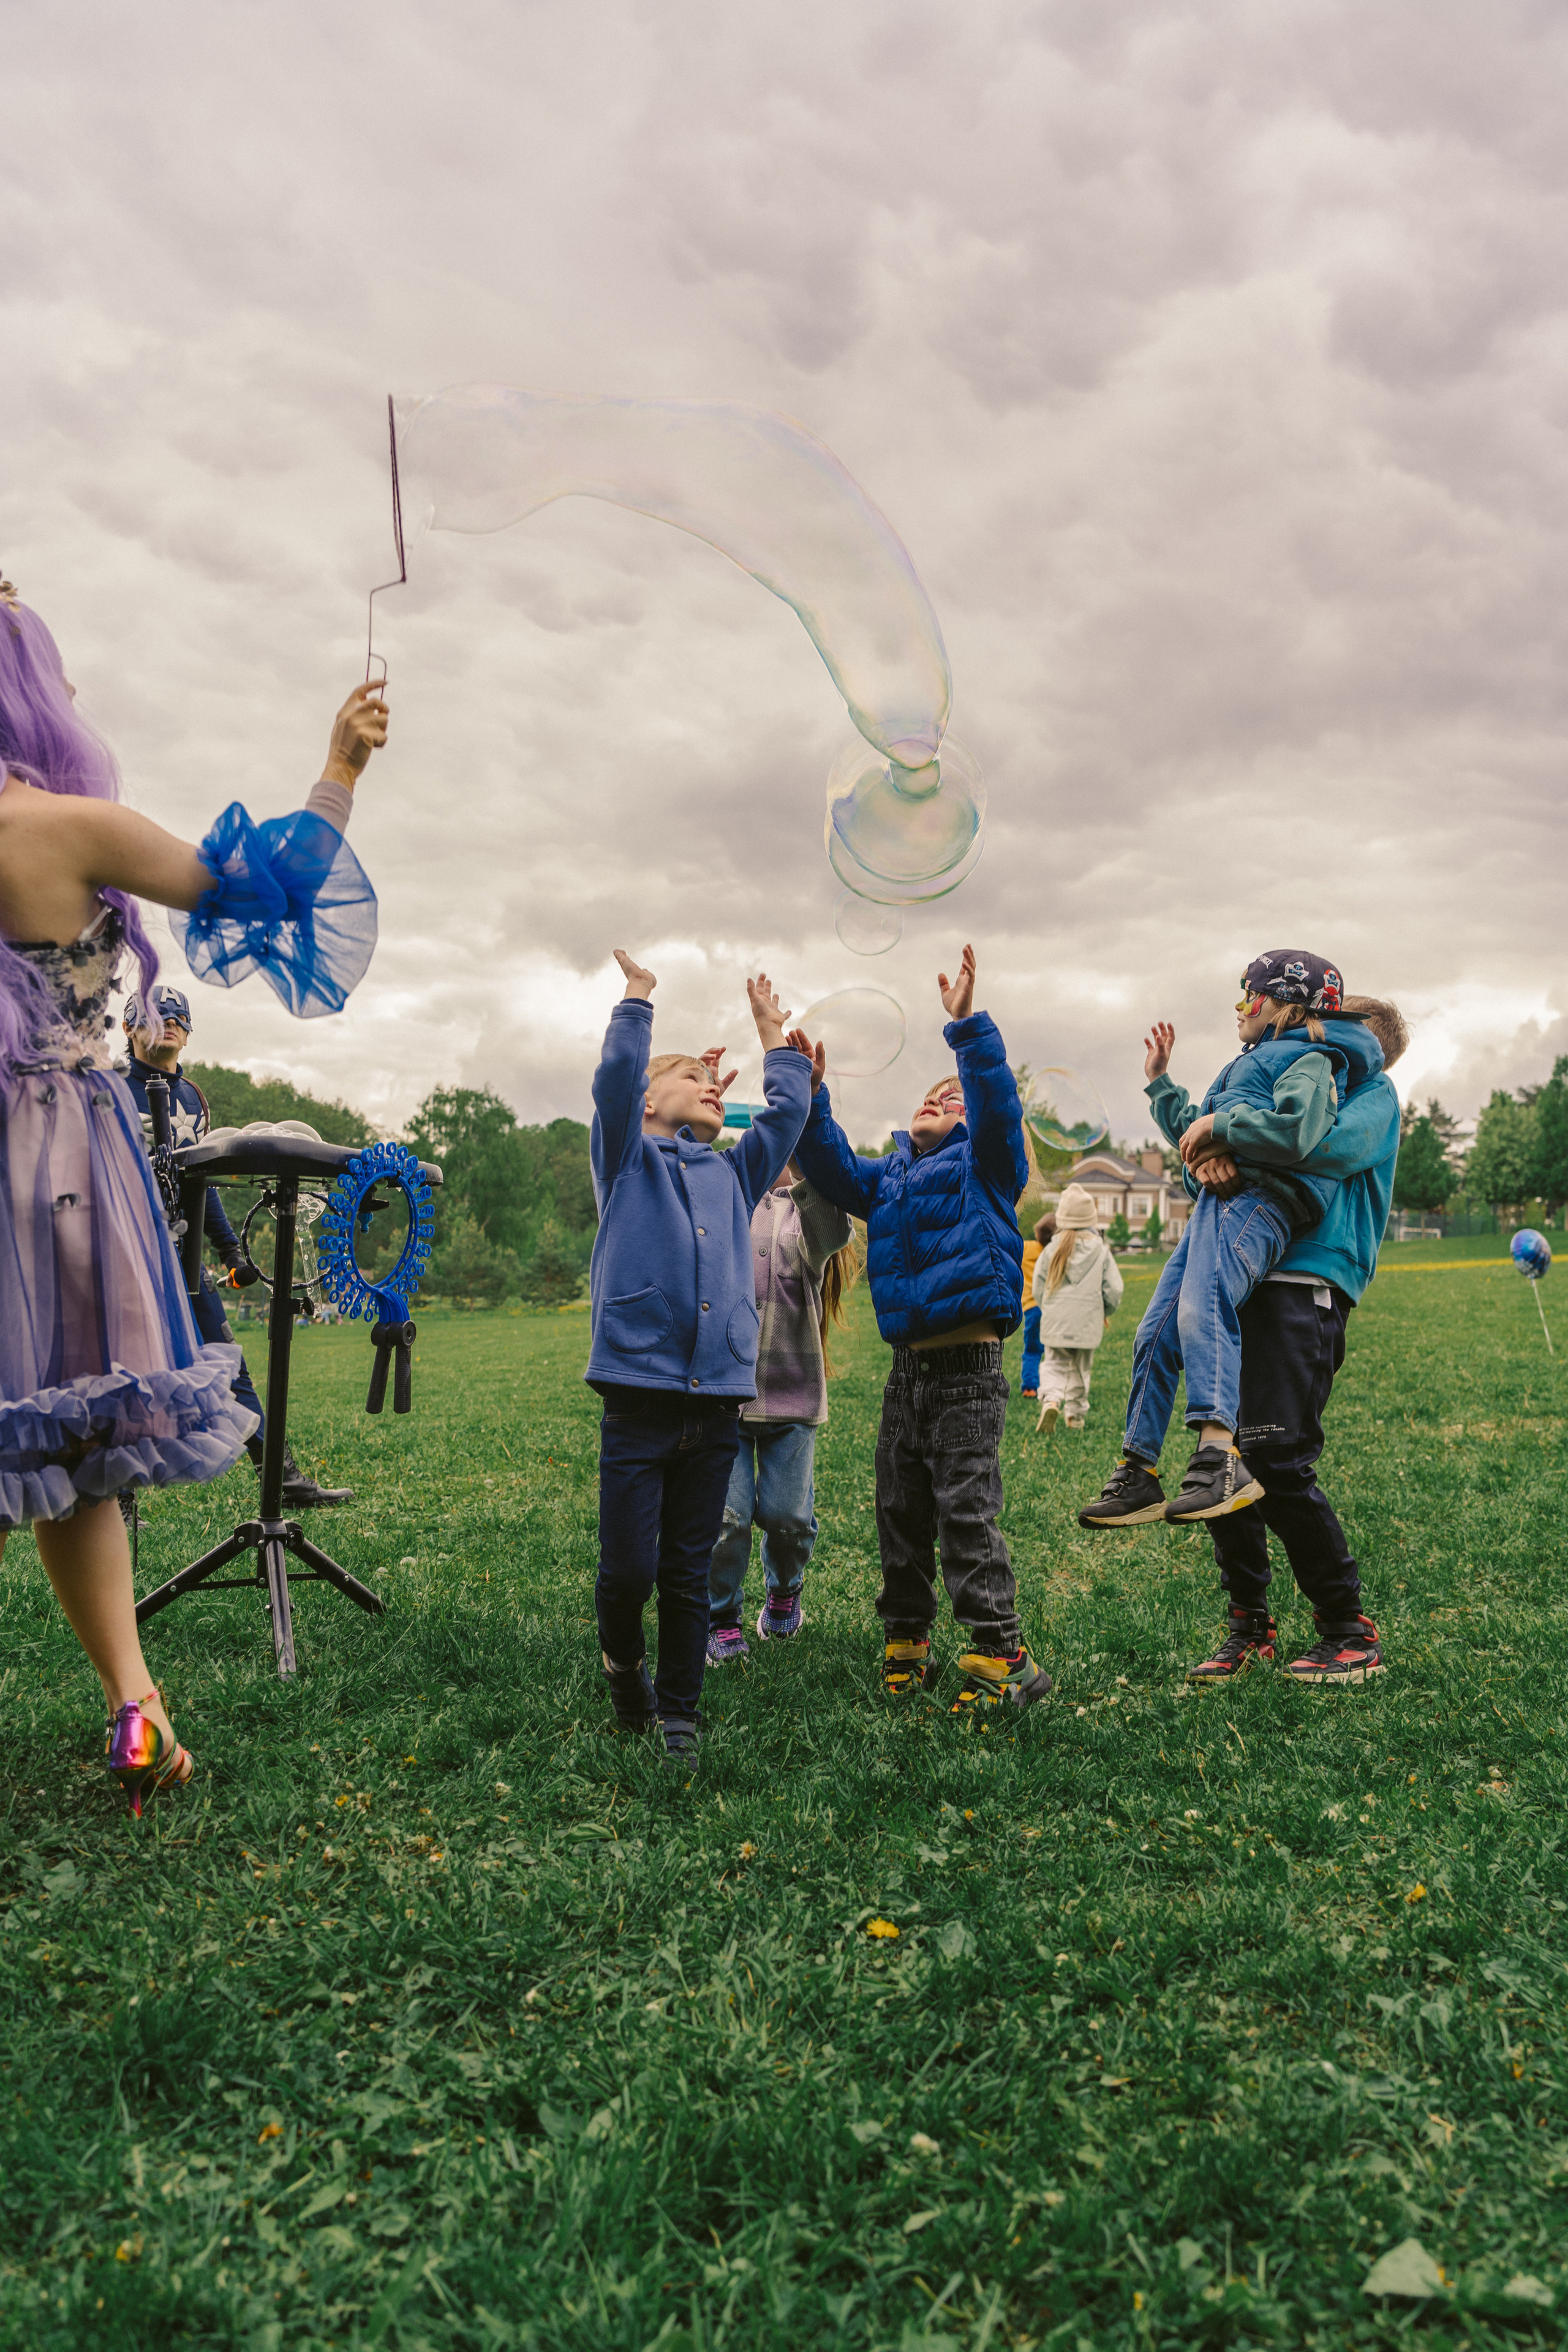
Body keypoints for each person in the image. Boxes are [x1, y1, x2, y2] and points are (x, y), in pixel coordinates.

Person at [0, 574, 386, 1814]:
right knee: (70, 1446)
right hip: (55, 1168)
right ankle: (137, 1706)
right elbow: (267, 891)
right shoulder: (66, 827)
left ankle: (139, 1704)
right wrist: (339, 768)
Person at [788, 943, 1052, 1714]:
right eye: (931, 1094)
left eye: (952, 1097)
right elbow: (832, 1170)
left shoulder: (988, 1167)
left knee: (965, 1514)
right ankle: (907, 1638)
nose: (939, 1099)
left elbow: (996, 1106)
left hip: (969, 1375)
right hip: (907, 1379)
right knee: (898, 1515)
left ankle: (1003, 1656)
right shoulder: (890, 1177)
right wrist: (812, 1099)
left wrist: (967, 1029)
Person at [587, 951, 811, 1765]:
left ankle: (679, 1710)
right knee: (628, 1574)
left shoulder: (733, 1173)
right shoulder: (624, 1158)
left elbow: (786, 1118)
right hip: (639, 1402)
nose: (714, 1088)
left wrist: (772, 1035)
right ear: (649, 1101)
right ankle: (623, 1666)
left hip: (716, 1403)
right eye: (695, 1079)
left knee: (687, 1569)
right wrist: (638, 1000)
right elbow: (616, 1080)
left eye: (717, 1084)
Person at [1078, 950, 1383, 1528]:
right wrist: (1162, 1086)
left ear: (1284, 1004)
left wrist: (1221, 1130)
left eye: (1250, 994)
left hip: (1258, 1204)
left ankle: (1219, 1457)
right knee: (1155, 1331)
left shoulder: (1311, 1059)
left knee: (1205, 1305)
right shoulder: (1251, 1061)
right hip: (1214, 1208)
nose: (1240, 1006)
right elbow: (1194, 1134)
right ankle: (1138, 1470)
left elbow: (1297, 1132)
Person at [1182, 994, 1406, 1684]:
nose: (1315, 1036)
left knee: (1276, 1458)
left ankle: (1348, 1629)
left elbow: (1318, 1147)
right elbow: (1240, 1139)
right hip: (1244, 1269)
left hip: (1306, 1281)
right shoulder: (1292, 1082)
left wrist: (1229, 1139)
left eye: (1333, 1026)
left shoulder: (1373, 1094)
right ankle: (1248, 1627)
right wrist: (1209, 1157)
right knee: (1224, 1461)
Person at [118, 982, 352, 1510]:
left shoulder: (193, 1098)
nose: (169, 1021)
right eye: (156, 1014)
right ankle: (119, 1501)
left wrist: (231, 1253)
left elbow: (201, 1185)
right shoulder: (107, 1090)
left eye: (178, 1017)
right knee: (126, 1373)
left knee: (227, 1363)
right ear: (129, 1027)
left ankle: (281, 1480)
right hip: (122, 1254)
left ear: (188, 1033)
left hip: (181, 1256)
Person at [704, 1159, 855, 1660]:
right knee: (727, 1519)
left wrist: (808, 1167)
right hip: (723, 1397)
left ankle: (785, 1591)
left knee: (788, 1517)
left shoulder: (807, 1209)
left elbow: (834, 1233)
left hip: (793, 1396)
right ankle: (722, 1617)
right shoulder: (732, 1191)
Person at [1033, 1183, 1121, 1433]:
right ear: (1090, 1218)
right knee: (1081, 1371)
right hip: (1087, 1321)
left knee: (1054, 1364)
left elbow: (1038, 1286)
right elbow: (1114, 1289)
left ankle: (1051, 1400)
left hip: (1056, 1320)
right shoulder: (1101, 1251)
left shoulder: (1052, 1249)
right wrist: (1104, 1311)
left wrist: (1048, 1308)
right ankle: (1075, 1417)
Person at [1019, 1212, 1054, 1396]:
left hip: (1032, 1308)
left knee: (1032, 1349)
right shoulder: (1055, 1254)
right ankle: (1053, 1386)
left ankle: (1030, 1387)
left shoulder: (1026, 1248)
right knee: (1054, 1351)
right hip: (1051, 1307)